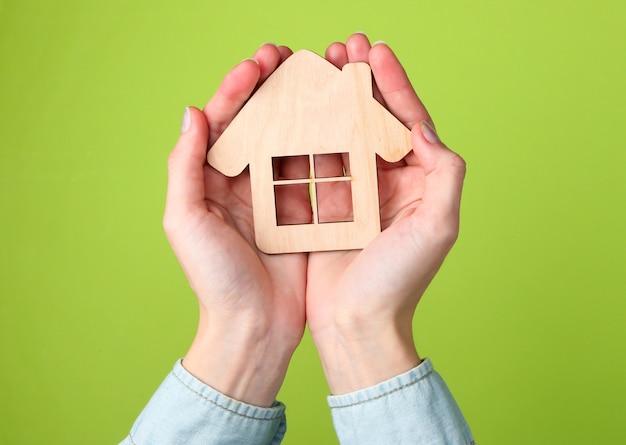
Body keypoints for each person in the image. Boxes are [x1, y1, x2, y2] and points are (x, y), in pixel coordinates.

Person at [120, 33, 474, 444]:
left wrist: (360, 327)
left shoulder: (349, 100)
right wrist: (248, 327)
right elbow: (394, 146)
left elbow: (394, 146)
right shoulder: (314, 105)